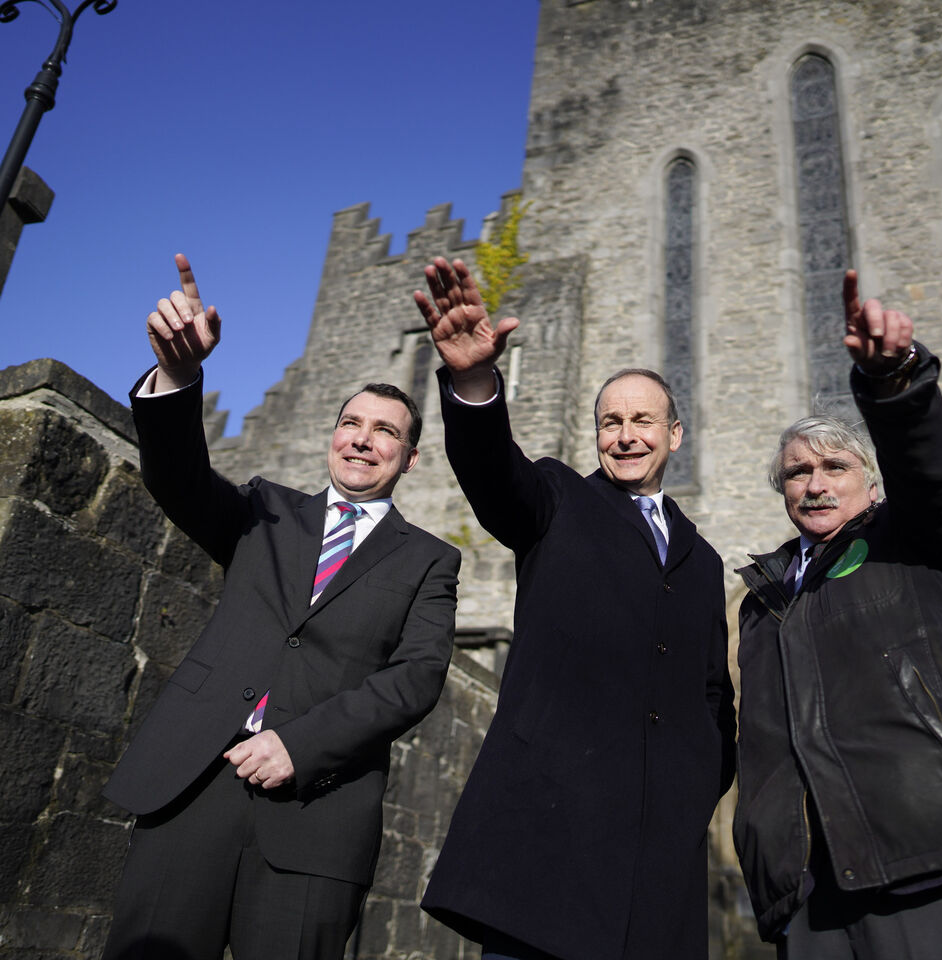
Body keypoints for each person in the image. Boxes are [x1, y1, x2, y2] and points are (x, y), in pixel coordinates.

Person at [101, 254, 461, 960]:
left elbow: (417, 677)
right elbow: (176, 478)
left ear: (410, 458)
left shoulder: (429, 560)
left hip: (316, 817)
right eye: (351, 422)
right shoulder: (263, 509)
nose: (362, 438)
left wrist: (300, 744)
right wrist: (178, 377)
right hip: (193, 787)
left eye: (385, 430)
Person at [411, 257, 736, 960]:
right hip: (547, 839)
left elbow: (713, 693)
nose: (625, 435)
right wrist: (473, 382)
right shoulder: (558, 498)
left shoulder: (704, 561)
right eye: (610, 422)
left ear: (674, 435)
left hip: (657, 860)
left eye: (643, 421)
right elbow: (493, 475)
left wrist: (692, 784)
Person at [733, 270, 942, 960]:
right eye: (795, 473)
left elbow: (937, 475)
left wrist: (895, 388)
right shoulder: (762, 604)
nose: (813, 484)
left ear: (870, 480)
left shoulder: (911, 541)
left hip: (932, 855)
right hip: (808, 894)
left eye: (834, 466)